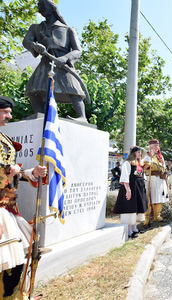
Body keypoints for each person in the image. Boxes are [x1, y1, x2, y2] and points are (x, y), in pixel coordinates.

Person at [0, 96, 47, 300]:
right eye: (5, 112)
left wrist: (30, 173)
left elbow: (10, 171)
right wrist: (9, 170)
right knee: (8, 260)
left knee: (15, 260)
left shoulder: (4, 138)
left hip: (8, 207)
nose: (10, 115)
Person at [23, 0, 88, 122]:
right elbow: (26, 41)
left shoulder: (68, 29)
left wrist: (64, 58)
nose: (39, 8)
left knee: (74, 90)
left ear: (52, 8)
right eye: (38, 5)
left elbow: (77, 50)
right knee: (32, 89)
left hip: (62, 64)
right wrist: (35, 46)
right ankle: (40, 114)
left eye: (42, 5)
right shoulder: (36, 28)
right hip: (46, 62)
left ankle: (82, 117)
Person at [113, 146, 148, 238]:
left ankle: (134, 228)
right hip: (130, 188)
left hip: (138, 189)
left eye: (140, 152)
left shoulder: (138, 164)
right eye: (138, 152)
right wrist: (128, 190)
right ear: (133, 153)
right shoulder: (127, 163)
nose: (140, 154)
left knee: (135, 208)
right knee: (129, 208)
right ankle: (128, 231)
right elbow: (124, 178)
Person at [143, 139, 169, 227]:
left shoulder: (160, 157)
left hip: (160, 180)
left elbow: (164, 168)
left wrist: (165, 176)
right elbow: (144, 166)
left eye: (157, 146)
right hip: (151, 179)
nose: (157, 148)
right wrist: (150, 159)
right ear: (150, 146)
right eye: (155, 146)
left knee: (159, 199)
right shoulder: (146, 156)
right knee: (149, 199)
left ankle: (157, 216)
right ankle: (146, 219)